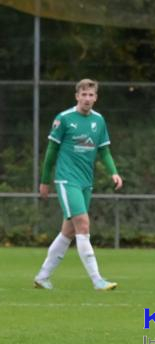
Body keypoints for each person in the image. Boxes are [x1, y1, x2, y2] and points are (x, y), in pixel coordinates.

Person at [34, 79, 123, 291]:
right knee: (83, 224)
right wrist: (45, 181)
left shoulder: (99, 121)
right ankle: (97, 280)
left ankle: (42, 276)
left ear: (96, 97)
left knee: (68, 231)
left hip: (86, 182)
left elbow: (104, 151)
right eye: (83, 94)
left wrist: (114, 173)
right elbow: (51, 152)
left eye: (91, 95)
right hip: (66, 180)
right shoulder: (64, 119)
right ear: (77, 96)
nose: (87, 99)